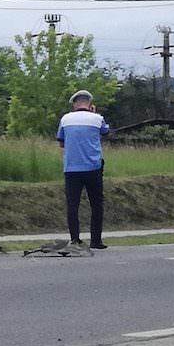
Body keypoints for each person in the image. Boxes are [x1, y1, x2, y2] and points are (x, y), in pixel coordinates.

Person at [57, 89, 110, 250]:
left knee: (73, 204)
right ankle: (96, 240)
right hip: (93, 167)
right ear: (89, 103)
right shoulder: (97, 118)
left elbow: (61, 142)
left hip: (72, 168)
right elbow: (105, 131)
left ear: (74, 104)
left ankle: (75, 239)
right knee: (96, 204)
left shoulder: (65, 119)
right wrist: (95, 114)